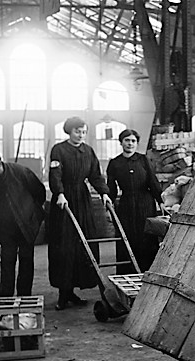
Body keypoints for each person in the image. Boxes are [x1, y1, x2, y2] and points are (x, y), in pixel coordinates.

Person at [48, 116, 112, 310]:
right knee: (65, 246)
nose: (81, 135)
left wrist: (104, 193)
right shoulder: (59, 150)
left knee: (84, 244)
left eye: (84, 132)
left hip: (82, 201)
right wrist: (59, 193)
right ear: (69, 131)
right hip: (63, 202)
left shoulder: (88, 151)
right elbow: (55, 174)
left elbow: (95, 175)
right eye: (77, 131)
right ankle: (63, 293)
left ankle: (75, 289)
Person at [0, 148, 46, 297]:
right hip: (6, 229)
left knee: (26, 262)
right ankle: (6, 302)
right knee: (7, 263)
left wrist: (34, 216)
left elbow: (40, 193)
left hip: (27, 226)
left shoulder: (21, 172)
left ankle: (24, 300)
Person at [106, 129, 163, 274]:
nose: (130, 144)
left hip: (145, 204)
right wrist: (108, 207)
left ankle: (148, 274)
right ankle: (127, 274)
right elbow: (111, 188)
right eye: (127, 140)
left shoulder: (144, 160)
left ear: (137, 143)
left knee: (147, 239)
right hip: (126, 206)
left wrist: (160, 201)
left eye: (133, 141)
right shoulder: (115, 163)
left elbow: (152, 181)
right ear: (121, 142)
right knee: (127, 238)